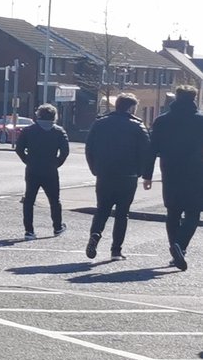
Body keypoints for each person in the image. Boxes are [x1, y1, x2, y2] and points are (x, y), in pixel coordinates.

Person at [84, 93, 152, 260]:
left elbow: (89, 148)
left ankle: (95, 234)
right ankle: (116, 250)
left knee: (102, 210)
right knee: (122, 214)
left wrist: (95, 169)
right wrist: (142, 172)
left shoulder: (100, 123)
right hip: (127, 176)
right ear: (131, 107)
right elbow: (146, 152)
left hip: (105, 174)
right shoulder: (137, 126)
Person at [146, 85, 203, 270]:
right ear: (194, 98)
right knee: (193, 213)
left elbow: (152, 149)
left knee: (173, 212)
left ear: (176, 98)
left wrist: (147, 175)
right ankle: (181, 246)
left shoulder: (162, 121)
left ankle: (174, 247)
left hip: (170, 172)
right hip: (197, 173)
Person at [14, 102, 70, 240]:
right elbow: (65, 151)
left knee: (29, 200)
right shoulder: (59, 131)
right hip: (50, 169)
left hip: (33, 169)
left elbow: (19, 149)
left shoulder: (28, 131)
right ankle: (57, 227)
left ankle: (29, 231)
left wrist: (28, 160)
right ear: (54, 116)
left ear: (38, 115)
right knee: (54, 200)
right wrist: (57, 163)